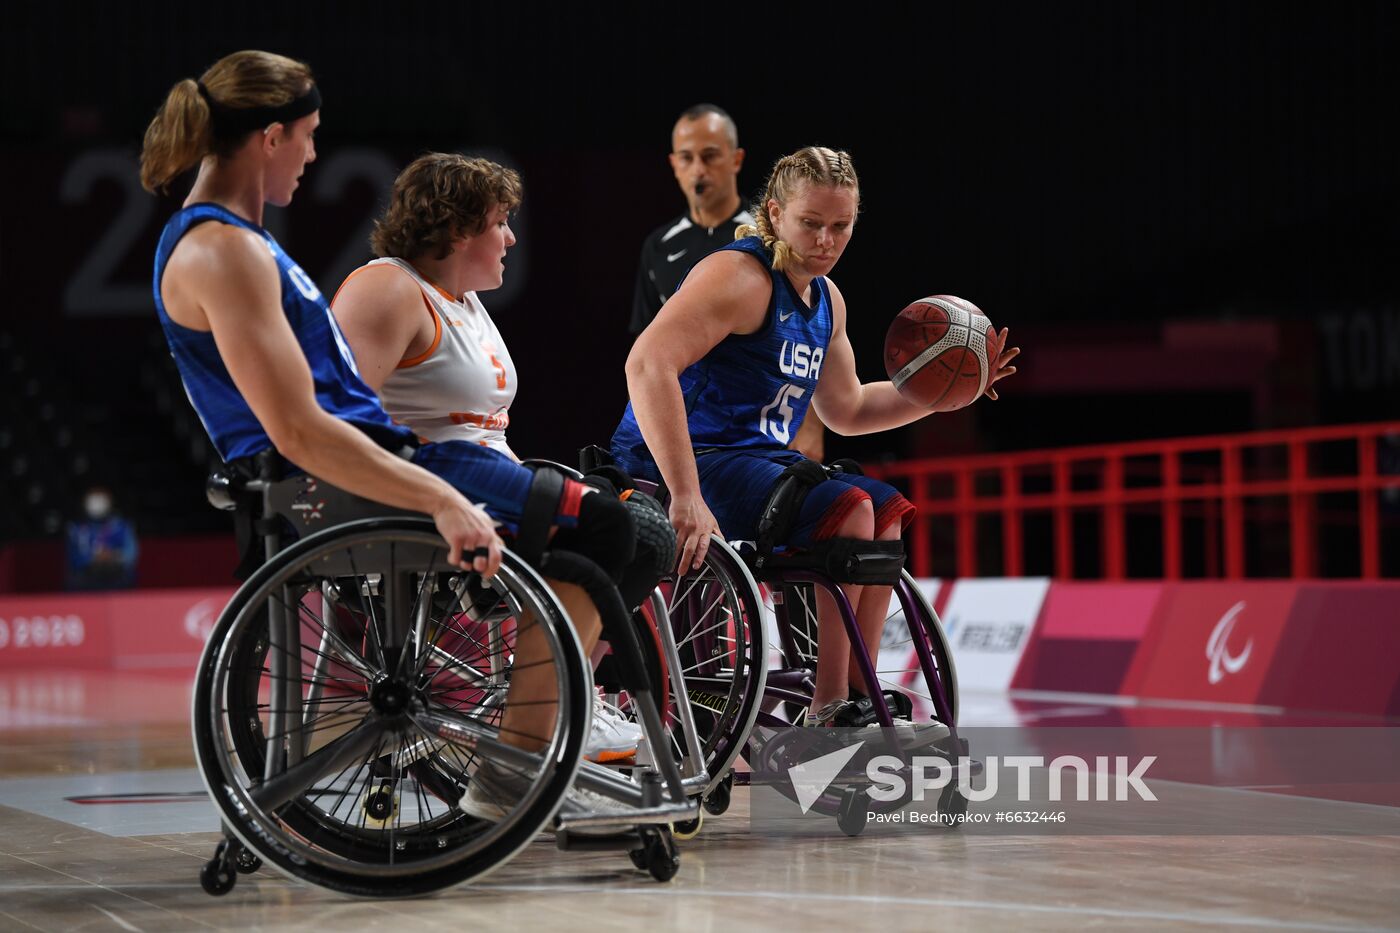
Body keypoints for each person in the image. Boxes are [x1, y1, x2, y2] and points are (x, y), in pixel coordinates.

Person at [139, 51, 638, 819]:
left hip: (365, 463)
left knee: (608, 530)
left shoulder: (237, 241)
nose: (312, 156)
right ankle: (523, 757)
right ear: (270, 137)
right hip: (337, 478)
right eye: (307, 137)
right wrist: (440, 496)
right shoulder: (220, 249)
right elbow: (299, 429)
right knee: (607, 524)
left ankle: (538, 728)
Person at [612, 146, 1019, 730]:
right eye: (811, 223)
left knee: (886, 510)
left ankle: (861, 693)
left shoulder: (827, 299)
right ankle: (826, 707)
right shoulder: (739, 277)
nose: (826, 240)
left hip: (756, 460)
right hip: (682, 456)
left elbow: (847, 408)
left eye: (840, 226)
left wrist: (943, 393)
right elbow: (648, 365)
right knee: (849, 508)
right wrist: (684, 492)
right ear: (774, 213)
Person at [331, 152, 646, 764]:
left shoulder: (465, 301)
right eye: (500, 221)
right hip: (432, 477)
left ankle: (555, 693)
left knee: (647, 533)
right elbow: (348, 421)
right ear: (456, 227)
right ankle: (534, 731)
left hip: (484, 470)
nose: (510, 237)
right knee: (608, 525)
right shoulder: (388, 288)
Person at [633, 104, 826, 461]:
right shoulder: (659, 247)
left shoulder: (771, 238)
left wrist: (810, 427)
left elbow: (810, 329)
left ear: (736, 160)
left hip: (757, 424)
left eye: (710, 157)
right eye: (687, 158)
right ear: (673, 164)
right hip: (689, 424)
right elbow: (648, 350)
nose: (698, 170)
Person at [65, 485, 138, 590]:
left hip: (116, 577)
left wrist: (113, 557)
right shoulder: (76, 529)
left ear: (109, 501)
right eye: (94, 499)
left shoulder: (122, 527)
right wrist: (93, 559)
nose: (97, 504)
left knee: (127, 576)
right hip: (86, 579)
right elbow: (74, 557)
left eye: (101, 499)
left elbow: (130, 555)